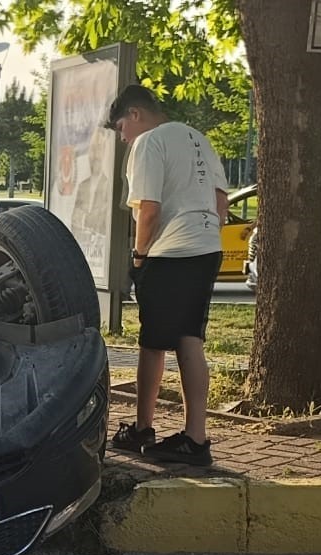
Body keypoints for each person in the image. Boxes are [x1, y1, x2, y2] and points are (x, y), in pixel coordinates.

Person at [105, 84, 228, 466]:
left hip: (170, 250)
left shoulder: (149, 143)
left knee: (155, 341)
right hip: (206, 246)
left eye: (122, 128)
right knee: (187, 337)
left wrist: (139, 258)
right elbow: (221, 202)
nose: (124, 138)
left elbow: (149, 209)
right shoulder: (198, 138)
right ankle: (194, 433)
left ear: (135, 114)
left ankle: (151, 429)